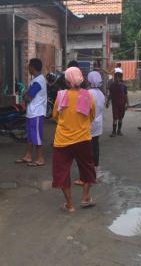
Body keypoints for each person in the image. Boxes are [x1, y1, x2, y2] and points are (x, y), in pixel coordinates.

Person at [52, 67, 96, 212]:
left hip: (63, 140)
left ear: (66, 81)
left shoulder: (60, 95)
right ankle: (85, 197)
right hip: (83, 138)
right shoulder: (88, 96)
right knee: (87, 169)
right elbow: (92, 116)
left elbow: (55, 116)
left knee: (62, 171)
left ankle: (70, 204)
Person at [16, 58, 47, 167]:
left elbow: (28, 97)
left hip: (37, 113)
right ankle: (28, 156)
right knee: (30, 136)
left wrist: (25, 95)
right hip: (32, 112)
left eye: (29, 66)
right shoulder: (36, 80)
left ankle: (40, 158)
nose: (28, 68)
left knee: (37, 136)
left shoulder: (38, 81)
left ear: (32, 68)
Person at [87, 71, 104, 168]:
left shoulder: (88, 93)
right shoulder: (101, 94)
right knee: (96, 146)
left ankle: (89, 168)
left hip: (89, 124)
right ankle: (95, 167)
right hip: (98, 124)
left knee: (88, 148)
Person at [106, 72, 129, 137]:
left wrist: (127, 104)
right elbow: (110, 94)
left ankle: (119, 130)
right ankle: (114, 132)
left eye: (118, 77)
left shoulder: (123, 86)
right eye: (115, 77)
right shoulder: (112, 85)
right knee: (115, 118)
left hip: (122, 104)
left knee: (120, 118)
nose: (116, 78)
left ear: (121, 78)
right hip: (114, 104)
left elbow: (126, 95)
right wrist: (108, 102)